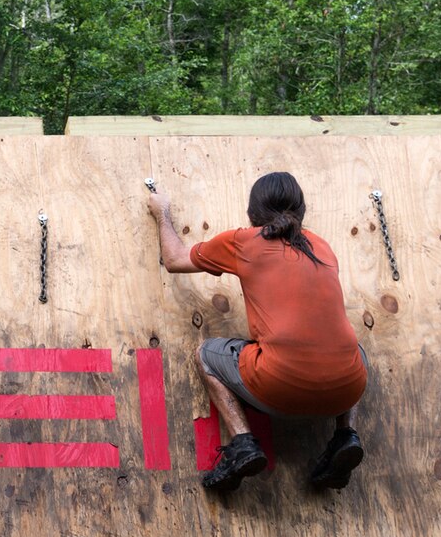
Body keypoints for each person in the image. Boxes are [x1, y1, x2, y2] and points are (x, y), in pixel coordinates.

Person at [145, 171, 367, 494]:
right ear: (301, 211)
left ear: (252, 213)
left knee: (206, 355)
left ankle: (243, 444)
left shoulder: (245, 241)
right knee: (352, 351)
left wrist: (161, 212)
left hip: (279, 385)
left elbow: (175, 259)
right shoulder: (324, 247)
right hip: (347, 389)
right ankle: (347, 435)